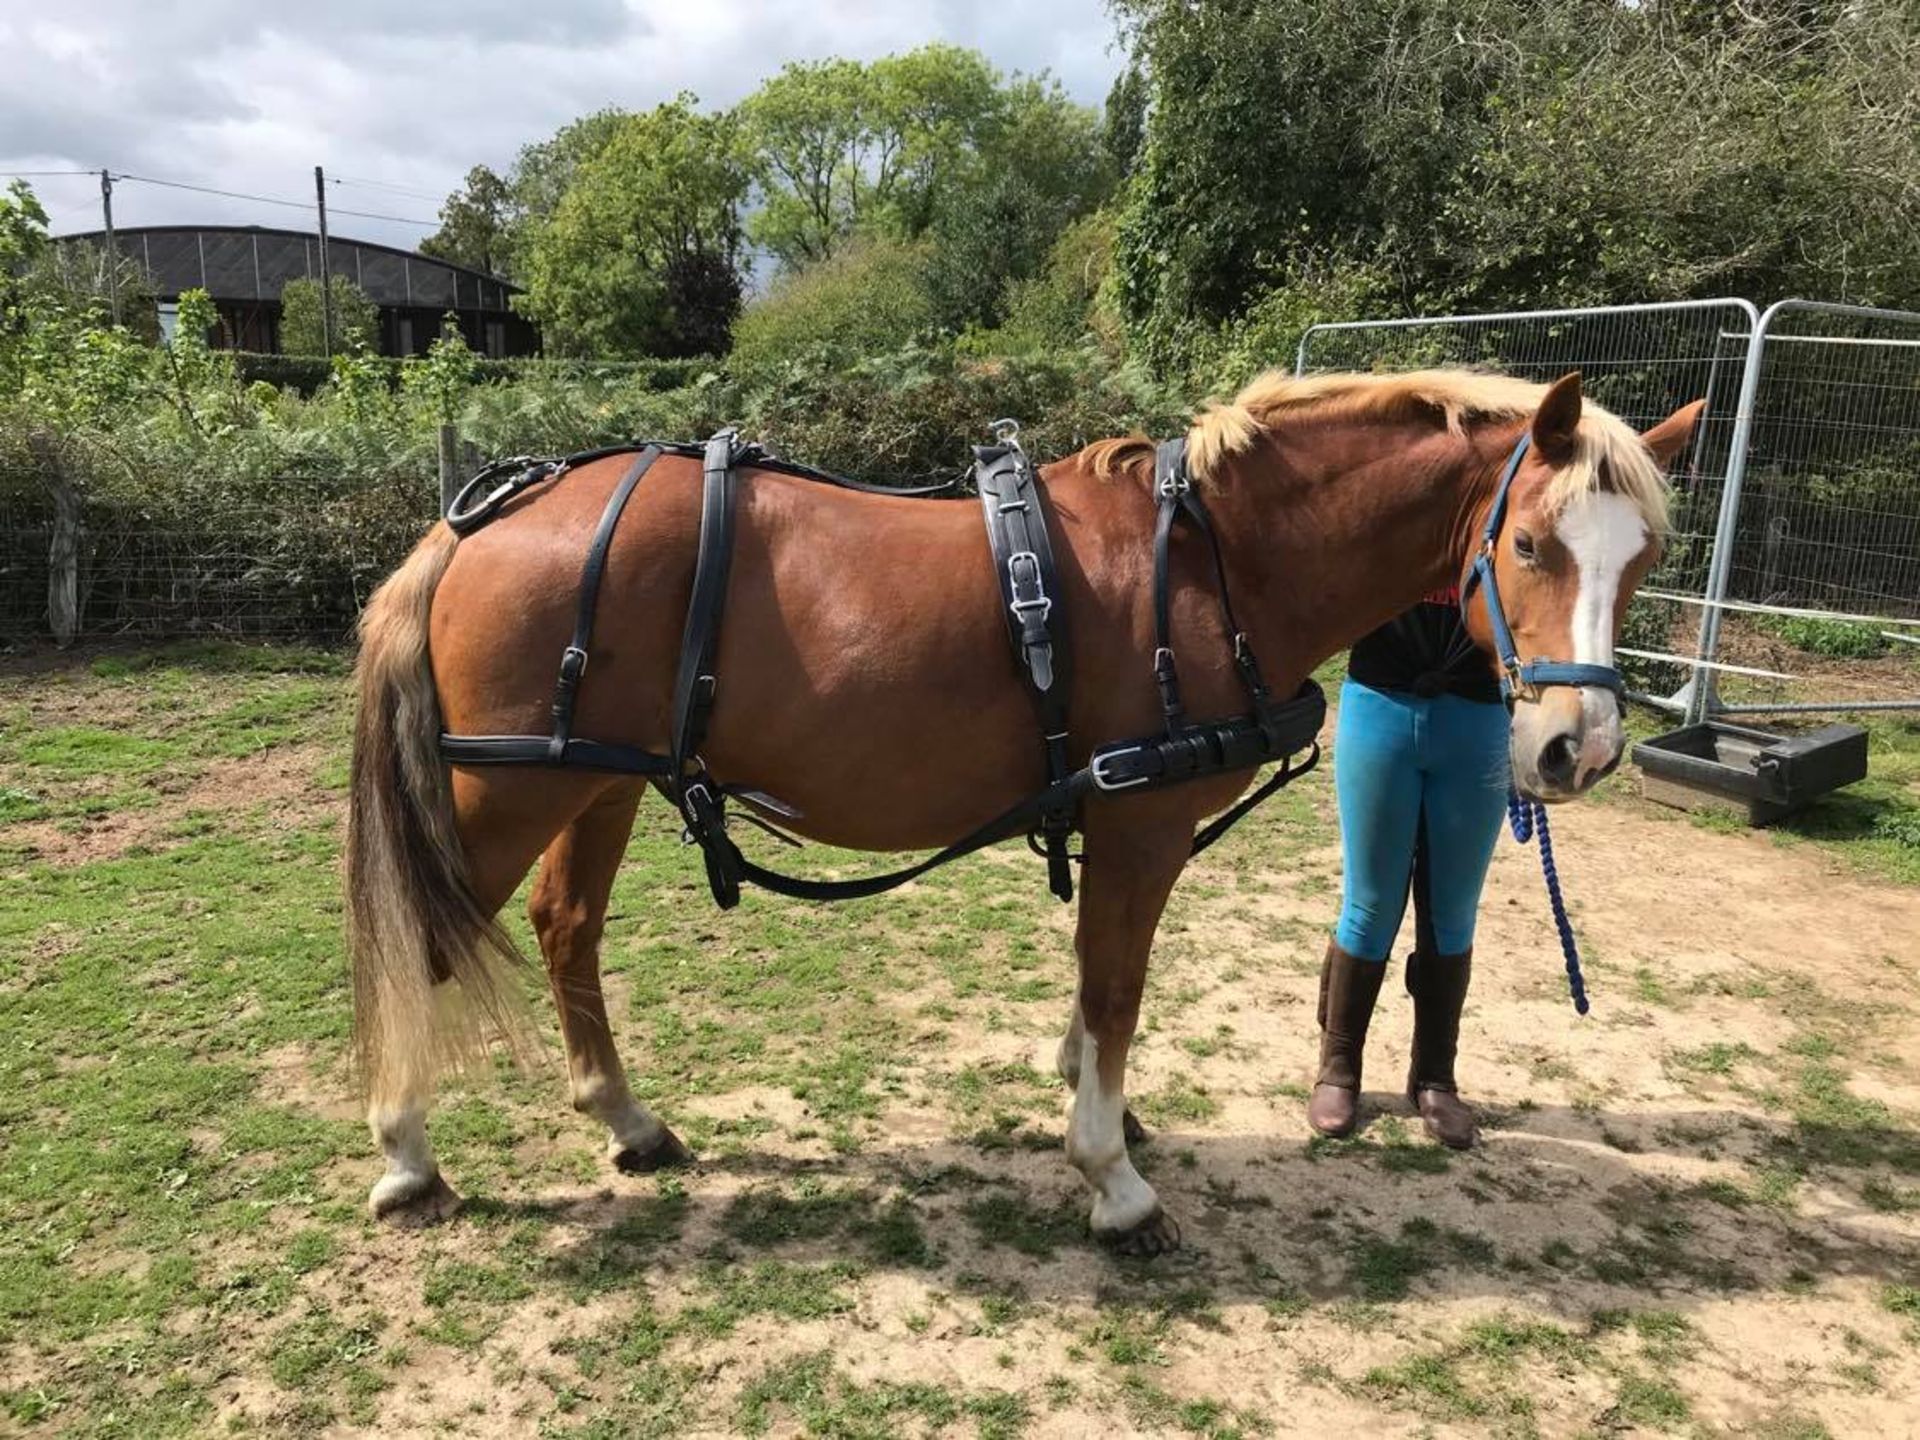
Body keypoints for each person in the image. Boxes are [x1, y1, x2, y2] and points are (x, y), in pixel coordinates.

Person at [1308, 589, 1511, 1149]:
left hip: (1478, 719)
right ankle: (1339, 1067)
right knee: (1369, 904)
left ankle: (1435, 1078)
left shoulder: (1507, 516)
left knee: (1452, 910)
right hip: (1381, 704)